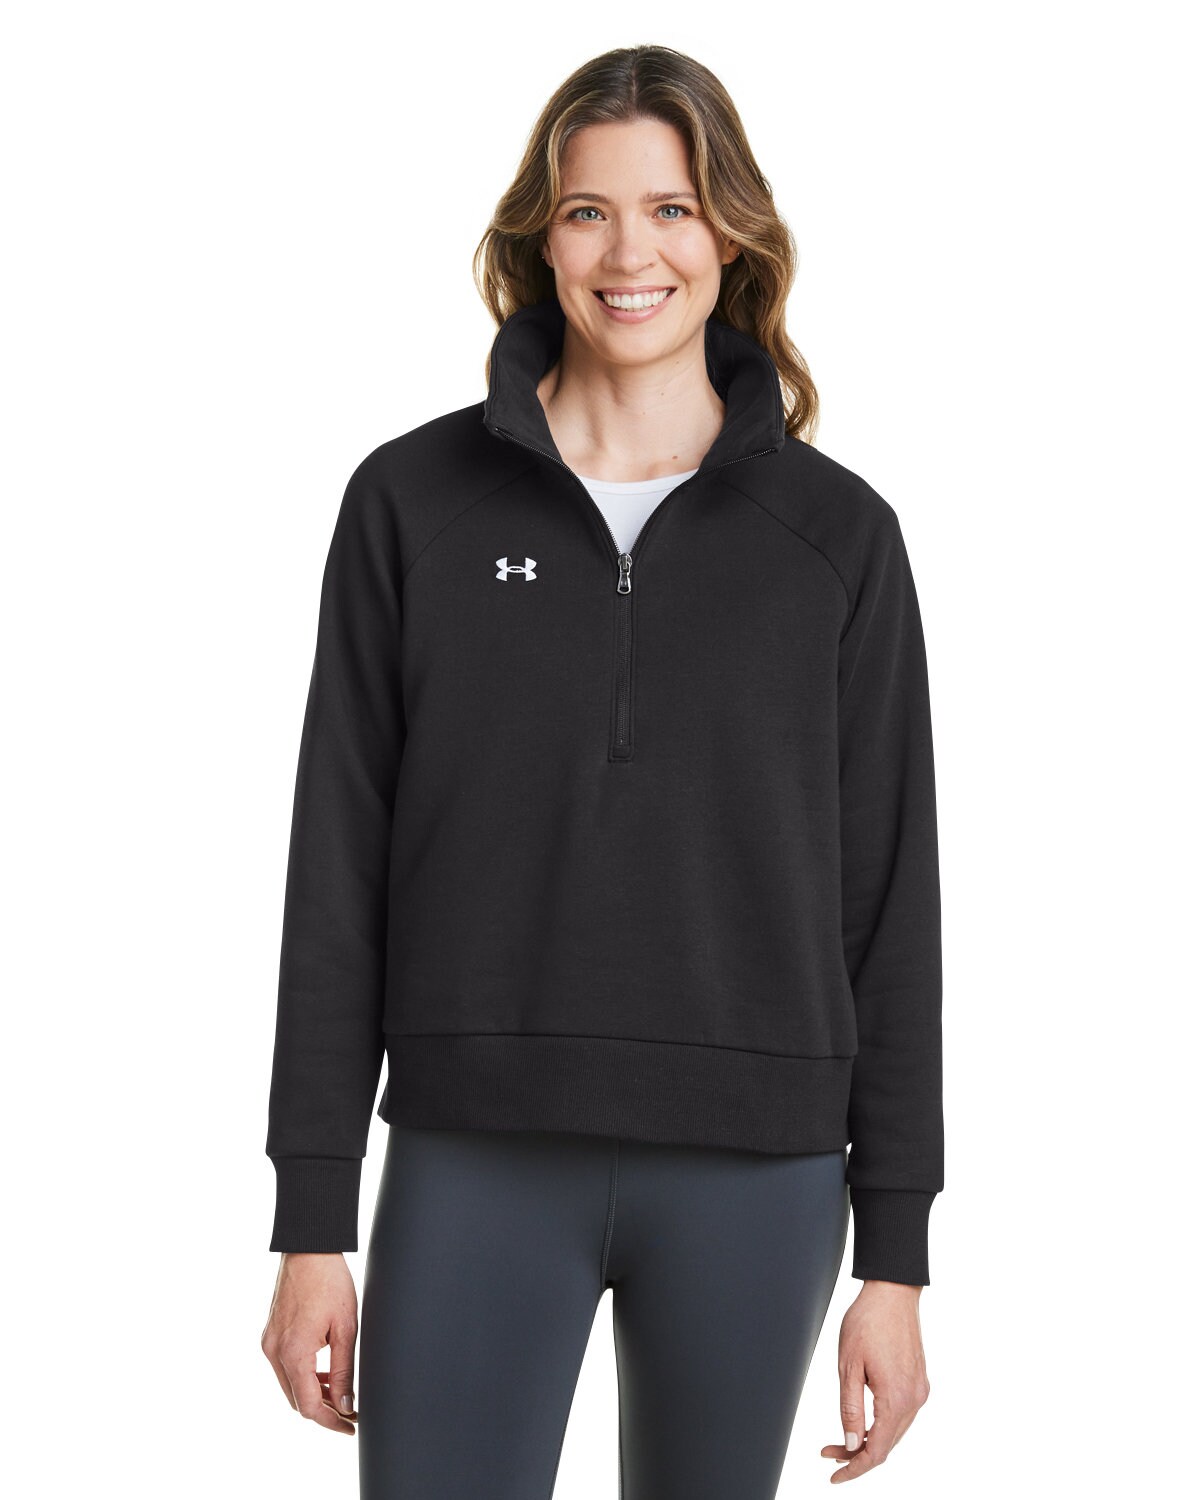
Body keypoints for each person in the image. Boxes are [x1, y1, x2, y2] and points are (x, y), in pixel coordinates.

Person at [260, 43, 943, 1499]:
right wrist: (311, 1218)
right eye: (590, 212)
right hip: (475, 1149)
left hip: (758, 1172)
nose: (632, 254)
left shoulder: (839, 541)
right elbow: (338, 872)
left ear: (732, 236)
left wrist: (895, 1253)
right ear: (541, 238)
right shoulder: (411, 506)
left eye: (672, 209)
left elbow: (890, 907)